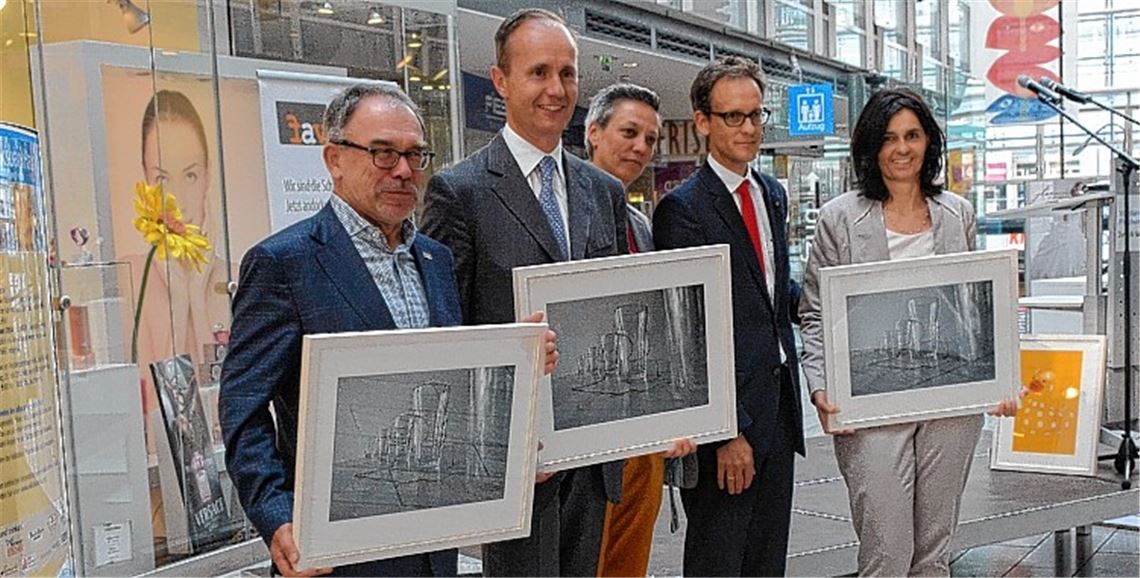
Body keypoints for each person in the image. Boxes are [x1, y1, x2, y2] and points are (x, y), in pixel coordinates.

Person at [220, 83, 558, 577]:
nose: (404, 171)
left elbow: (450, 389)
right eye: (382, 154)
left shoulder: (435, 260)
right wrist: (277, 518)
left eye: (415, 155)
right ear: (334, 158)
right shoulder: (284, 263)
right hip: (338, 555)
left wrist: (516, 368)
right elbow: (242, 410)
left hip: (434, 547)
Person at [421, 8, 628, 577]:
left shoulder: (603, 191)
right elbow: (445, 330)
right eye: (539, 72)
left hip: (593, 448)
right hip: (516, 459)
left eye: (567, 73)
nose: (556, 89)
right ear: (501, 81)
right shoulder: (458, 192)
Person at [799, 87, 1019, 577]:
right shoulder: (839, 217)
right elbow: (813, 313)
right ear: (870, 147)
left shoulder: (956, 213)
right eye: (889, 138)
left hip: (950, 401)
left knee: (934, 552)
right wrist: (820, 386)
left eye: (913, 135)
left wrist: (1000, 374)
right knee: (886, 550)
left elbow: (973, 308)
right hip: (869, 401)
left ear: (929, 142)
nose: (902, 148)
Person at [653, 56, 804, 577]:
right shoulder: (683, 209)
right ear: (702, 122)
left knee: (767, 560)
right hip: (731, 425)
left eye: (756, 115)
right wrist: (727, 431)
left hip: (779, 407)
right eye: (733, 117)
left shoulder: (771, 195)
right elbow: (689, 334)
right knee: (720, 560)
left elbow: (771, 297)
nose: (748, 128)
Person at [582, 82, 696, 577]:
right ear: (593, 133)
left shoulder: (641, 224)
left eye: (650, 140)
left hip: (643, 437)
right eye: (629, 132)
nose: (640, 148)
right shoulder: (566, 218)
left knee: (631, 564)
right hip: (586, 438)